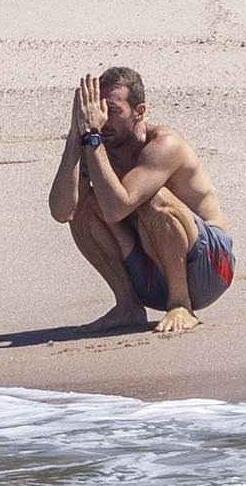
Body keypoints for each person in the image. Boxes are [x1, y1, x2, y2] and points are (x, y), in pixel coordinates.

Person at [48, 67, 235, 334]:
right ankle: (128, 305)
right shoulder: (97, 142)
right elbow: (61, 211)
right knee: (83, 205)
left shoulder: (163, 145)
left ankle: (181, 304)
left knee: (152, 198)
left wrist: (92, 137)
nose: (101, 120)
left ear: (139, 111)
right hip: (151, 268)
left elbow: (117, 208)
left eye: (112, 112)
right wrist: (75, 137)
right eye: (96, 110)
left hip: (209, 269)